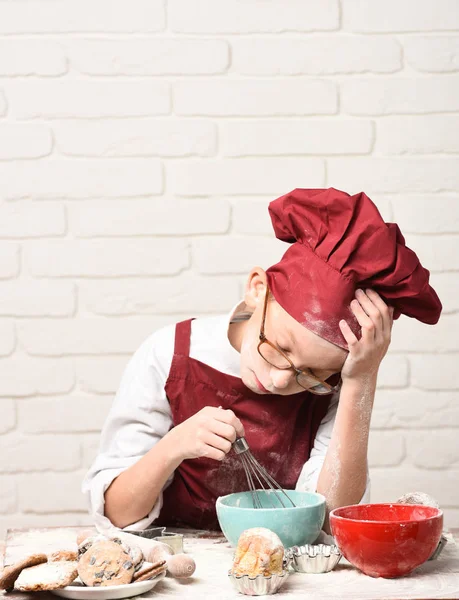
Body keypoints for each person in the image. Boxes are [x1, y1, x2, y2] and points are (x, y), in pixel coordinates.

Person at [82, 188, 441, 535]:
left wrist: (361, 381)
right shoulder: (168, 355)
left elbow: (331, 516)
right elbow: (118, 512)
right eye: (280, 347)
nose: (283, 380)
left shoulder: (336, 385)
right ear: (257, 289)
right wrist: (175, 444)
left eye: (312, 374)